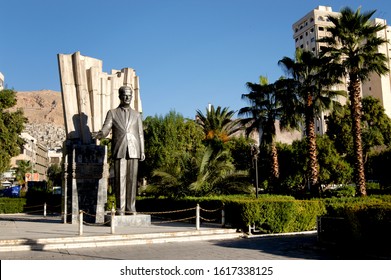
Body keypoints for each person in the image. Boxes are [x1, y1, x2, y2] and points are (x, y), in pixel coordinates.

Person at [93, 86, 145, 215]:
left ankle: (130, 208)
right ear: (119, 96)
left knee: (132, 180)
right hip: (119, 148)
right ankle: (120, 208)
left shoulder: (137, 115)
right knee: (120, 180)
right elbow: (106, 128)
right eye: (125, 95)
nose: (127, 98)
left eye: (129, 95)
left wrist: (142, 151)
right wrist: (99, 135)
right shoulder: (112, 113)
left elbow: (140, 134)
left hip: (134, 149)